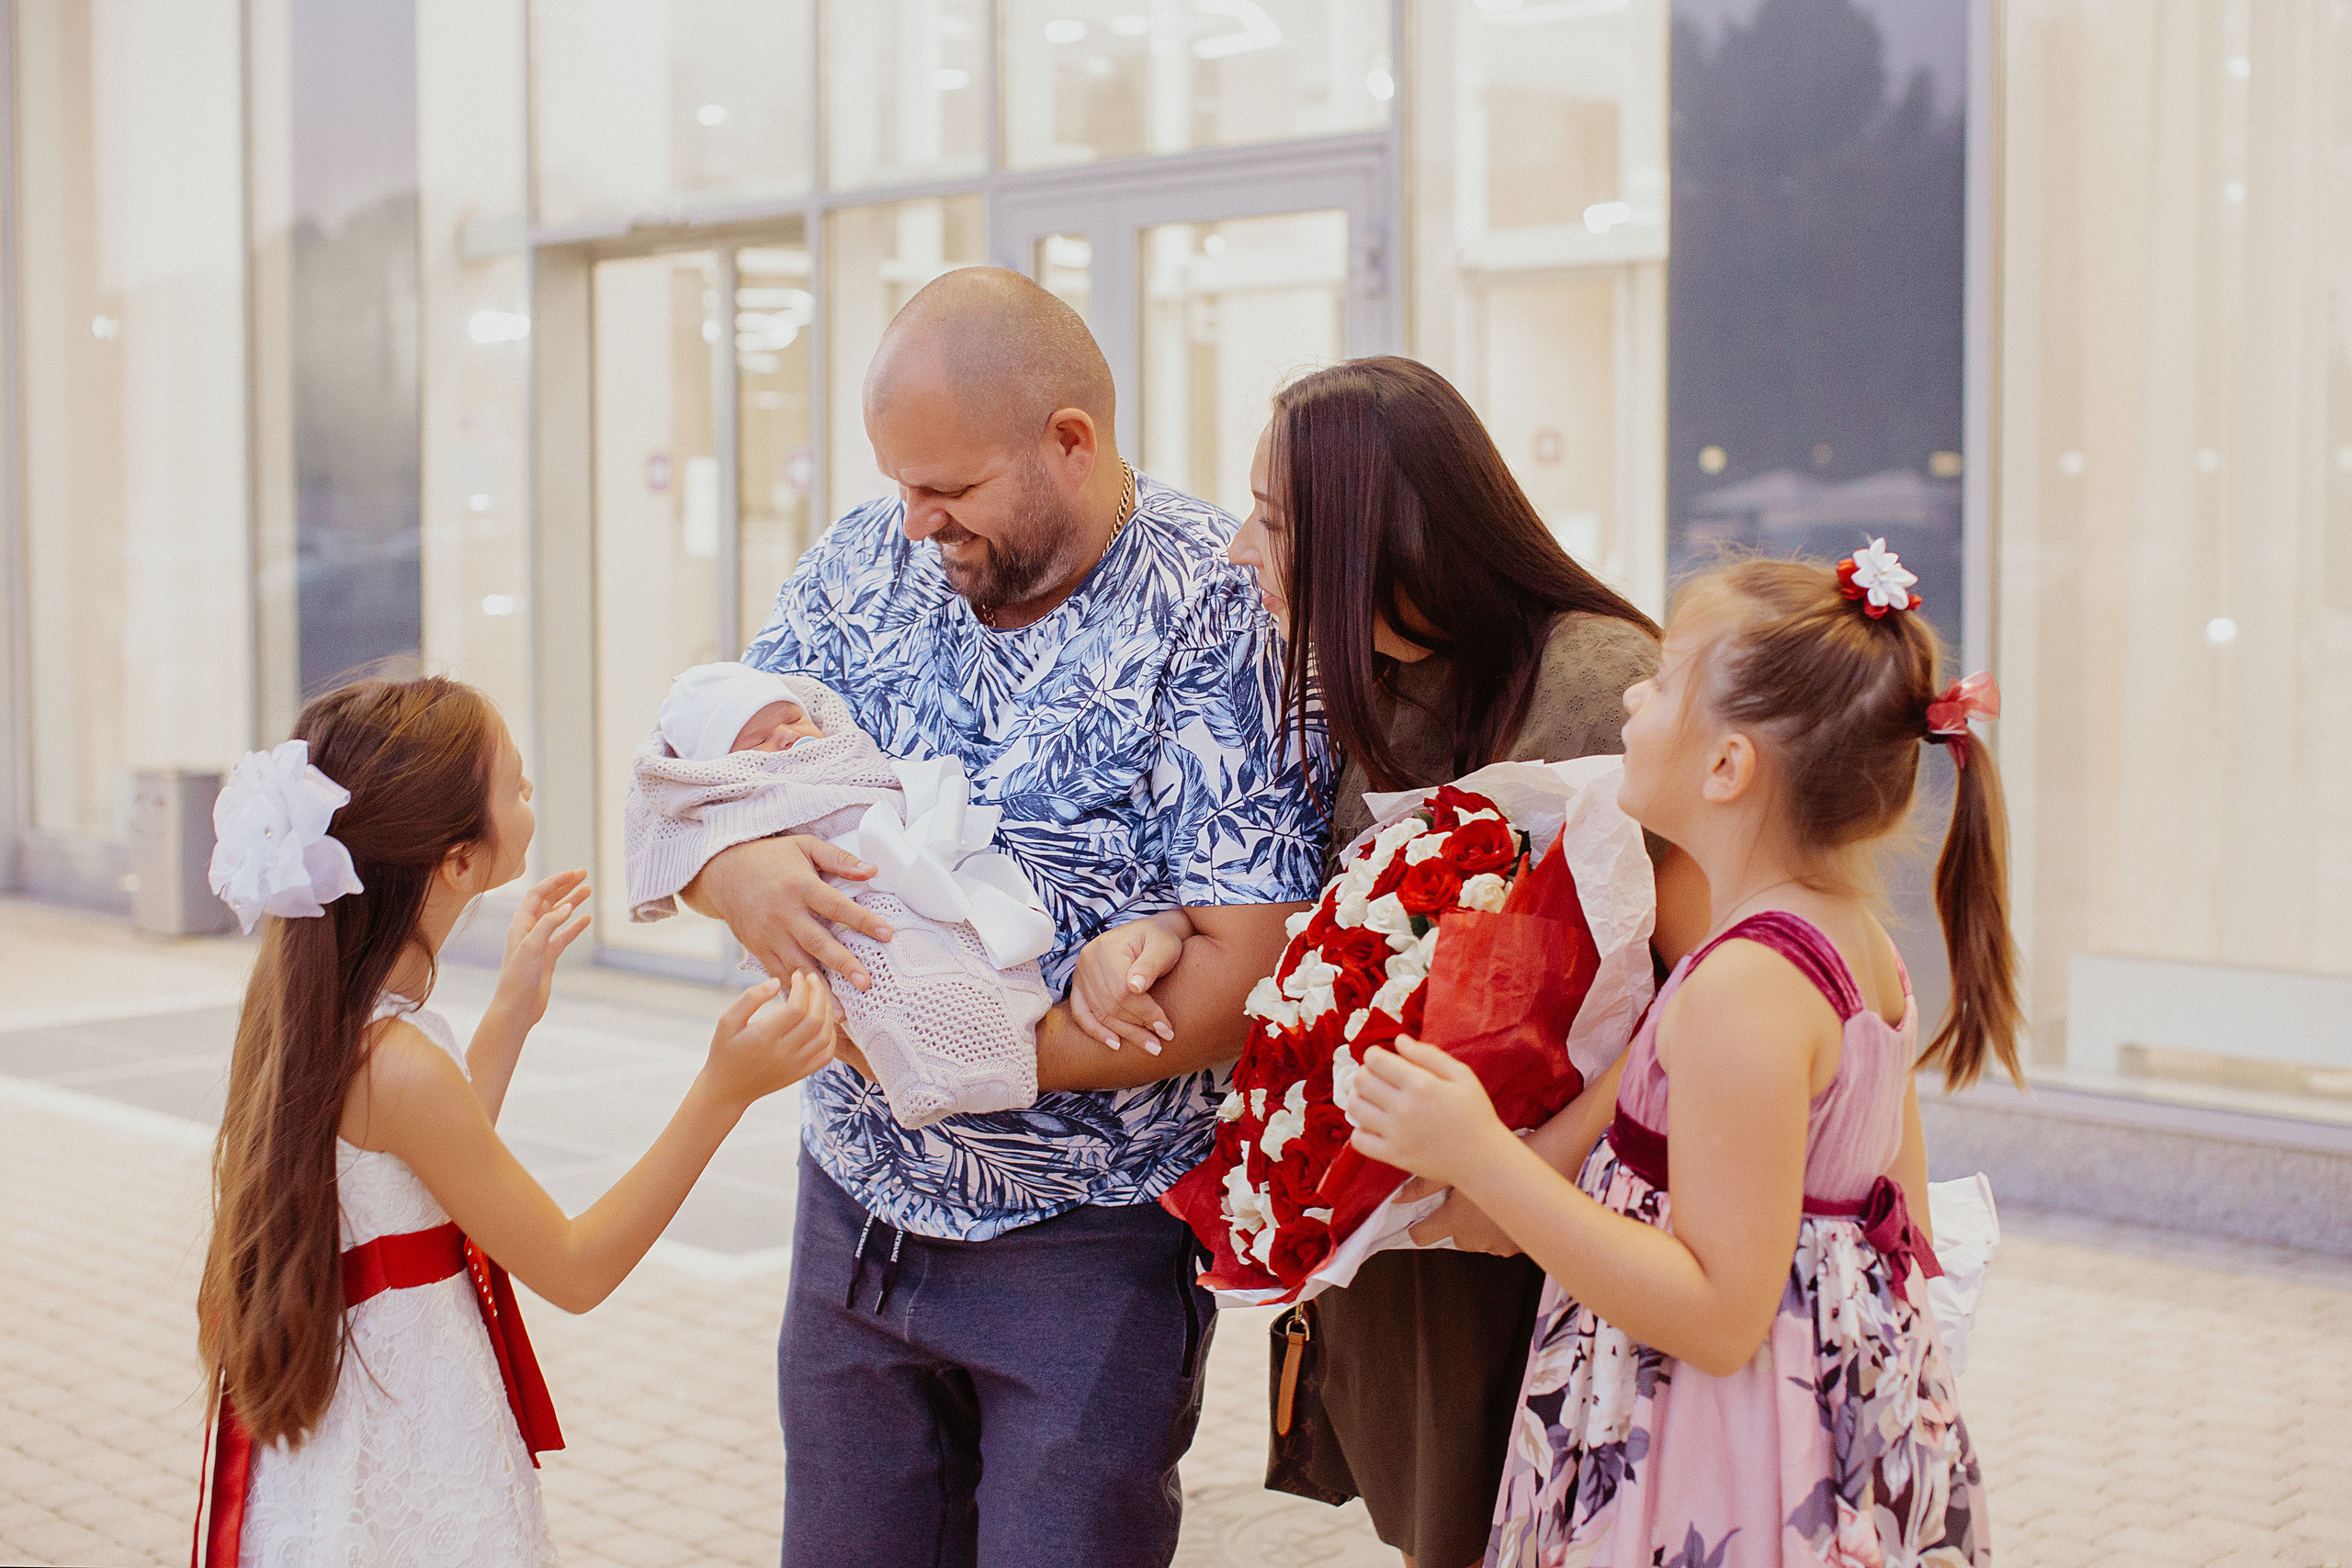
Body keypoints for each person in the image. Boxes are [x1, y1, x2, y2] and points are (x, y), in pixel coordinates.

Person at [663, 267, 1329, 1568]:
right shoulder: (862, 562)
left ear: (1070, 443)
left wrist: (959, 1054)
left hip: (1084, 1244)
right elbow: (709, 782)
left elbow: (1244, 972)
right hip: (855, 1209)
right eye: (900, 482)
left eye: (948, 490)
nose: (914, 521)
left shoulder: (1213, 606)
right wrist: (733, 877)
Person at [1072, 355, 1709, 1568]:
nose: (1239, 552)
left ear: (1380, 537)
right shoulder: (1379, 686)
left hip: (1547, 1248)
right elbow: (1331, 930)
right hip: (1417, 1246)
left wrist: (1504, 1172)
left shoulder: (1603, 693)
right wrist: (1166, 933)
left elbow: (1689, 1001)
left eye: (1270, 520)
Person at [1345, 549, 2010, 1566]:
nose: (1629, 691)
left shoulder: (1742, 987)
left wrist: (1483, 1156)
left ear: (1726, 767)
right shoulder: (1850, 939)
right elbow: (1903, 1231)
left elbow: (1715, 1314)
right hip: (1814, 1439)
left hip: (1725, 1467)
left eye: (1661, 681)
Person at [194, 676, 839, 1565]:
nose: (531, 798)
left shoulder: (324, 1013)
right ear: (458, 862)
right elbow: (573, 1268)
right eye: (517, 787)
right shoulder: (398, 1060)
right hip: (413, 1436)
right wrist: (721, 1091)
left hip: (370, 1415)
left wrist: (511, 1011)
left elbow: (421, 1176)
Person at [625, 660, 1054, 1129]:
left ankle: (992, 1042)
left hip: (919, 882)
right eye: (757, 741)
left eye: (792, 719)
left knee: (975, 968)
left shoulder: (849, 755)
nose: (787, 737)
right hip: (850, 917)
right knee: (884, 985)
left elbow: (886, 793)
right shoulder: (738, 795)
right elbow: (691, 843)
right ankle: (925, 1070)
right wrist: (732, 875)